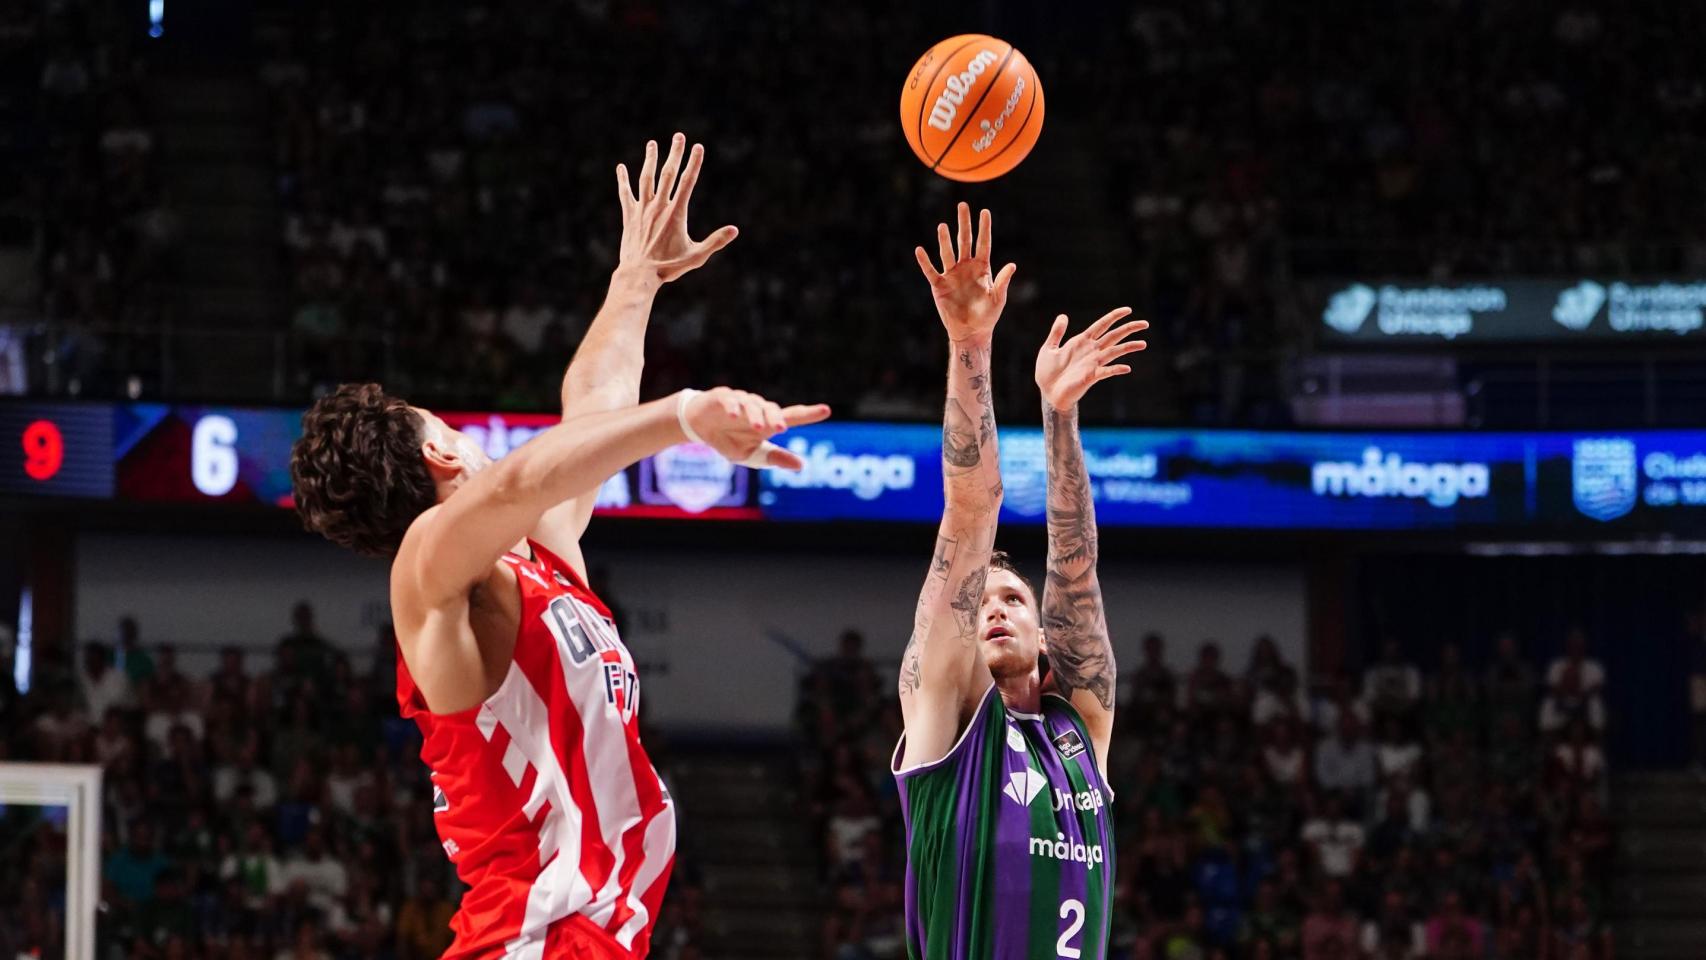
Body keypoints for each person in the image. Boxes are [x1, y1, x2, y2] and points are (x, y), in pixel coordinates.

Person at [289, 134, 828, 959]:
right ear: (439, 454)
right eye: (449, 425)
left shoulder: (536, 556)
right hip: (532, 936)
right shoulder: (427, 570)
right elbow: (515, 484)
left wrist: (637, 278)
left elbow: (586, 416)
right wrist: (685, 414)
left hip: (592, 933)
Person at [891, 203, 1148, 959]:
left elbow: (1075, 561)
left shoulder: (1081, 735)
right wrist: (971, 343)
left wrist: (1060, 415)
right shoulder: (943, 719)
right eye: (985, 603)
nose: (996, 608)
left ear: (1045, 638)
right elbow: (972, 511)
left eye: (1015, 600)